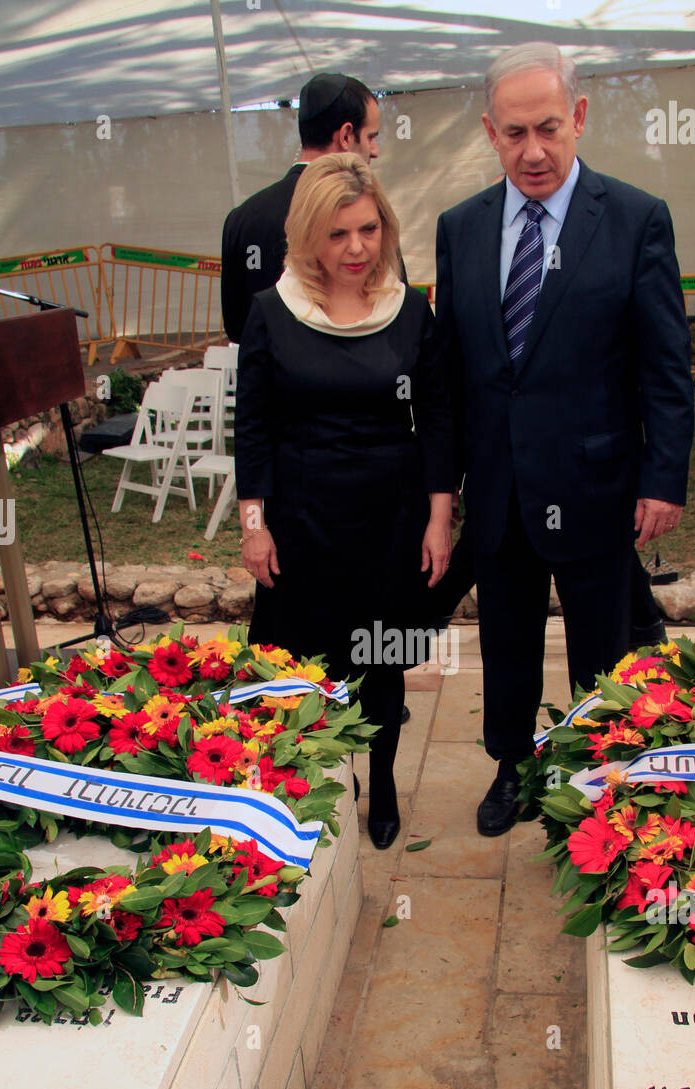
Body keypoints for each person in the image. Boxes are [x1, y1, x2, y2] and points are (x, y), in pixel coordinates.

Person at [434, 42, 693, 837]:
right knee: (506, 644)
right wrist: (445, 496)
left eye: (548, 127)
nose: (533, 150)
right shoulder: (460, 228)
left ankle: (599, 779)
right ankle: (514, 768)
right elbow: (450, 376)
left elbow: (666, 364)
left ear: (578, 118)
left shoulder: (635, 218)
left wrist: (663, 477)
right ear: (490, 131)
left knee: (600, 651)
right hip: (503, 491)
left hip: (598, 486)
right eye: (513, 133)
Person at [235, 155, 454, 849]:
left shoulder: (409, 309)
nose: (357, 248)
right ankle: (320, 779)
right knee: (302, 667)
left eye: (368, 229)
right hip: (301, 520)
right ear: (308, 238)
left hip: (391, 518)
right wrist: (253, 525)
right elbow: (254, 429)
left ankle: (383, 781)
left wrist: (441, 518)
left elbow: (440, 418)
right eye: (338, 234)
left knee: (382, 659)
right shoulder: (272, 312)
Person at [221, 73, 380, 344]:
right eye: (371, 137)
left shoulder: (241, 218)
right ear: (346, 135)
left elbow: (237, 327)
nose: (375, 150)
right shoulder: (367, 217)